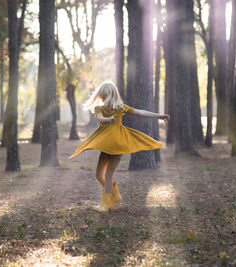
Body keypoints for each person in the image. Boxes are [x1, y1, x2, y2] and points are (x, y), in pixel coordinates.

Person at [69, 81, 170, 212]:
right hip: (106, 145)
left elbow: (141, 112)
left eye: (106, 96)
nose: (104, 98)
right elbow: (100, 118)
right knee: (99, 174)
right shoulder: (99, 108)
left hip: (118, 144)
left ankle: (105, 204)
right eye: (102, 96)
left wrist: (159, 116)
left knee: (108, 174)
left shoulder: (120, 107)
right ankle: (115, 195)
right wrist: (109, 118)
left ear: (112, 95)